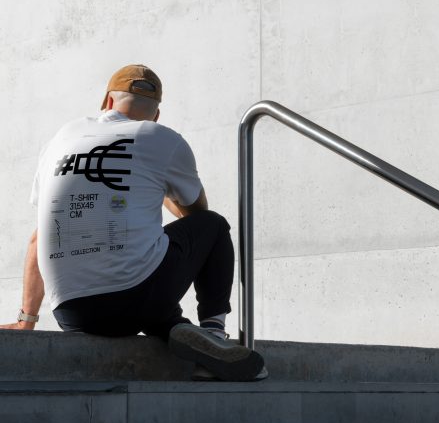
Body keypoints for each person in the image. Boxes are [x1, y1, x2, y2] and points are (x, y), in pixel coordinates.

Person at [0, 64, 267, 382]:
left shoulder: (61, 138)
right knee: (213, 225)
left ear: (107, 102)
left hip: (70, 310)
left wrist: (26, 320)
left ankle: (176, 328)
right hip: (135, 299)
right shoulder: (160, 138)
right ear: (156, 115)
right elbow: (193, 215)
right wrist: (159, 184)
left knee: (140, 278)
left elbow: (38, 238)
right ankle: (212, 333)